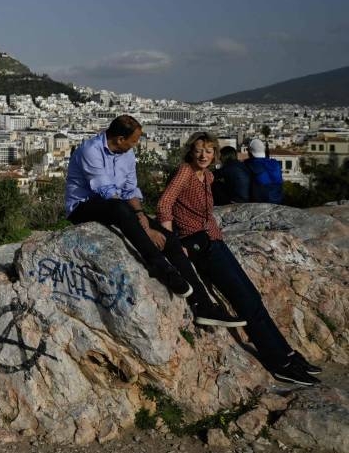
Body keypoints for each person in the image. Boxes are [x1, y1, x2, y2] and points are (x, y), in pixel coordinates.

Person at [158, 131, 321, 386]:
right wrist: (172, 245)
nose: (203, 155)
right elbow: (164, 204)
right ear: (191, 151)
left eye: (209, 151)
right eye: (199, 150)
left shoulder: (208, 176)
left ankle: (288, 354)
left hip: (214, 240)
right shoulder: (185, 173)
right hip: (199, 244)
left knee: (252, 296)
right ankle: (278, 363)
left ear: (215, 154)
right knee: (244, 301)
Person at [66, 115, 243, 327]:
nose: (137, 144)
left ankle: (203, 306)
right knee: (121, 209)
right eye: (134, 140)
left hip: (117, 207)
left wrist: (142, 217)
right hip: (83, 207)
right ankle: (159, 265)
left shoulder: (127, 154)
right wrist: (146, 231)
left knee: (170, 240)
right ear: (120, 139)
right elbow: (107, 192)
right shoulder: (90, 151)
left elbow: (129, 190)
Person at [246, 139, 284, 204]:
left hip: (260, 201)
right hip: (277, 200)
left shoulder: (249, 164)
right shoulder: (276, 163)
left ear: (250, 153)